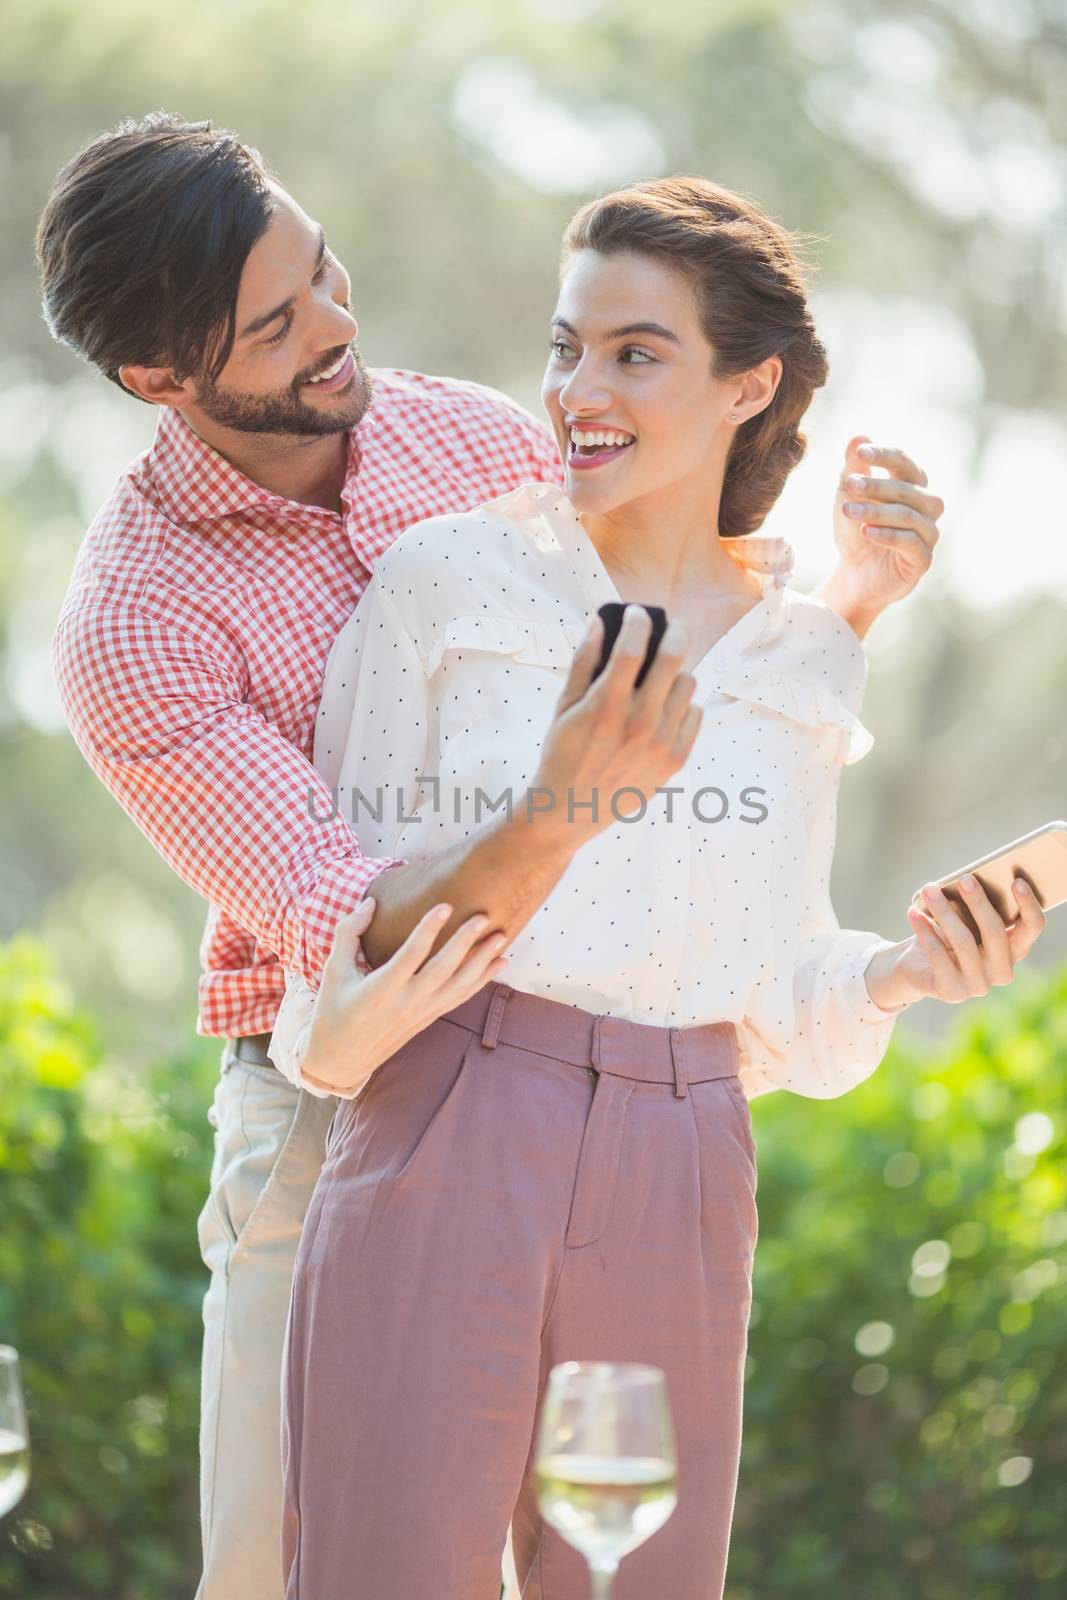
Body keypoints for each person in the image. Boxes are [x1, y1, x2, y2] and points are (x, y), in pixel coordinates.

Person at [37, 113, 941, 1600]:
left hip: (600, 1109)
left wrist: (845, 606)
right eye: (276, 327)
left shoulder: (463, 433)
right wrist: (562, 808)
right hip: (333, 1100)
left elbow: (679, 652)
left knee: (604, 1554)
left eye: (324, 271)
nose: (337, 330)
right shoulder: (140, 630)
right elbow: (359, 948)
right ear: (159, 379)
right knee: (288, 1572)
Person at [272, 176, 1046, 1600]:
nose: (580, 386)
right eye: (570, 345)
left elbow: (774, 976)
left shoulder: (809, 656)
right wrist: (554, 809)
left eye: (638, 351)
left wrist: (907, 971)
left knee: (642, 1583)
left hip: (688, 1151)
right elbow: (340, 926)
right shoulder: (448, 581)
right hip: (454, 1107)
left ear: (749, 386)